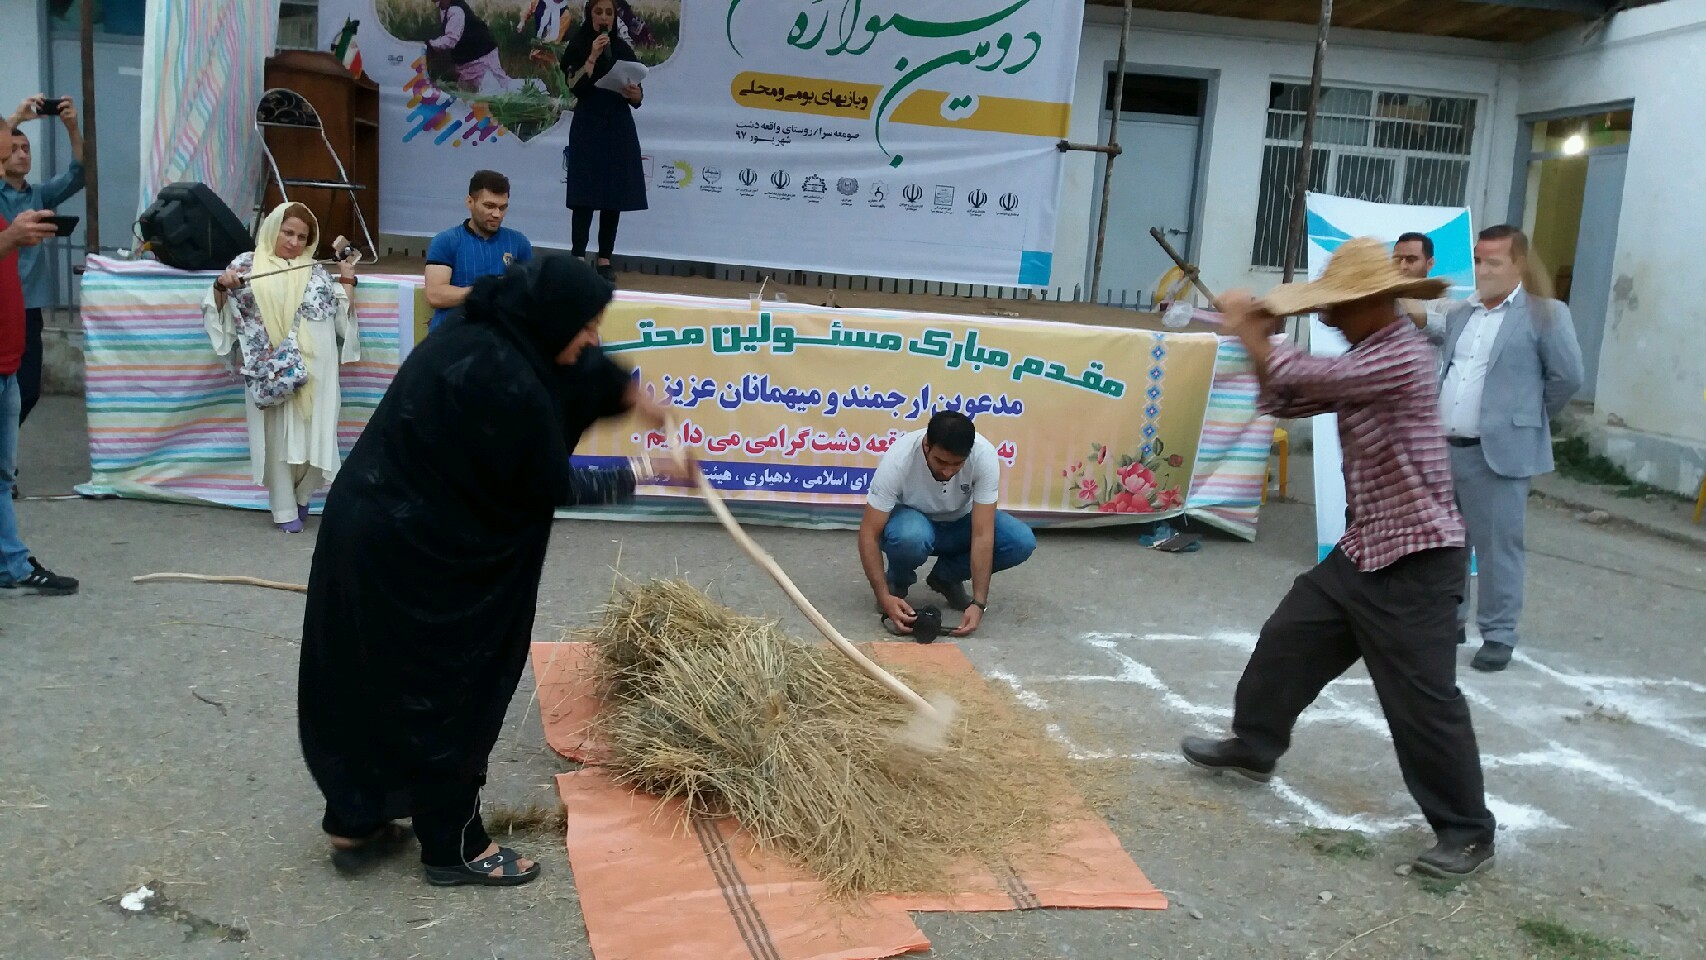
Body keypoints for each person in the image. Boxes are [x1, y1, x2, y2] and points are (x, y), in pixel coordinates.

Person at [297, 255, 675, 887]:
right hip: (429, 555)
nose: (591, 339)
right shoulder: (503, 380)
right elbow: (544, 480)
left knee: (371, 674)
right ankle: (454, 846)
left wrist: (629, 394)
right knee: (454, 684)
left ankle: (354, 817)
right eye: (584, 325)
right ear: (551, 318)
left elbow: (573, 369)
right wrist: (646, 473)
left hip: (368, 533)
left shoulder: (493, 336)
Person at [1179, 237, 1498, 881]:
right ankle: (1256, 744)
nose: (1325, 315)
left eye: (1336, 305)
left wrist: (1254, 332)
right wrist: (1256, 339)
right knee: (1288, 639)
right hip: (1365, 546)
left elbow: (1299, 377)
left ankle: (1467, 831)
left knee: (1423, 703)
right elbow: (1288, 398)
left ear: (1374, 301)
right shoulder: (1367, 349)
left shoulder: (1402, 356)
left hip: (1418, 555)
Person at [1439, 225, 1583, 672]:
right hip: (1446, 448)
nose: (1482, 270)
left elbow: (1567, 379)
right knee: (1446, 547)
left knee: (1499, 549)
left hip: (1498, 453)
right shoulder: (1461, 315)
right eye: (1478, 261)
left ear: (1518, 264)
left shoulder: (1547, 314)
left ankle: (1498, 635)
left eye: (1493, 262)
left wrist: (1524, 419)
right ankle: (1449, 621)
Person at [203, 203, 362, 534]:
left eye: (302, 237)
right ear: (272, 228)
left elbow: (340, 318)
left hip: (318, 371)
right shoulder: (245, 266)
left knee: (318, 433)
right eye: (287, 232)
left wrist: (348, 278)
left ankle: (305, 493)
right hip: (270, 369)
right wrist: (221, 287)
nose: (293, 241)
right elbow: (217, 311)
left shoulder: (317, 271)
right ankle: (283, 506)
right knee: (276, 437)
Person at [859, 410, 1036, 639]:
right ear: (926, 446)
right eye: (940, 461)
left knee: (1020, 540)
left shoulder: (984, 456)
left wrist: (979, 603)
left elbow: (983, 533)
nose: (947, 470)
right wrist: (883, 595)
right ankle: (897, 584)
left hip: (960, 523)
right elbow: (868, 533)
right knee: (911, 536)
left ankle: (946, 577)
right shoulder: (899, 458)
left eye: (957, 464)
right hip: (912, 522)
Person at [0, 117, 77, 596]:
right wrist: (11, 238)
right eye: (10, 139)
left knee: (2, 473)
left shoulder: (33, 195)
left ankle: (11, 565)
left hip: (7, 358)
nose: (15, 145)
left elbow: (79, 172)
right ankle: (13, 564)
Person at [1, 95, 84, 439]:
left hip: (29, 304)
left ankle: (7, 455)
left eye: (27, 149)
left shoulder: (38, 195)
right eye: (14, 148)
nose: (22, 153)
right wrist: (16, 118)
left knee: (27, 390)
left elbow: (79, 173)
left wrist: (72, 127)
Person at [548, 0, 647, 284]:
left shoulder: (623, 48)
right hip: (589, 124)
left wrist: (634, 95)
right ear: (589, 15)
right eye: (598, 12)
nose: (604, 18)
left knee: (612, 193)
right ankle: (578, 256)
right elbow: (573, 86)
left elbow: (639, 94)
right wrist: (592, 56)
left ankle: (605, 259)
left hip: (617, 124)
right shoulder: (578, 45)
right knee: (585, 193)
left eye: (609, 13)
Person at [424, 170, 533, 331]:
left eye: (503, 208)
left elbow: (530, 293)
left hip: (502, 337)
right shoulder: (446, 241)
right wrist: (486, 290)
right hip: (453, 335)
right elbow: (434, 295)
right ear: (469, 202)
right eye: (489, 206)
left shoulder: (518, 242)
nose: (497, 214)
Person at [428, 0, 522, 94]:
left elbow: (451, 39)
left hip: (481, 55)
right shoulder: (445, 9)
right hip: (467, 60)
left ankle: (520, 95)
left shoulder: (455, 10)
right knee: (468, 93)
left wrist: (430, 44)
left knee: (495, 86)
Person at [1391, 231, 1453, 345]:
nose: (1402, 266)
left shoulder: (1446, 305)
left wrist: (1402, 293)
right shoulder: (1381, 302)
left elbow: (1442, 331)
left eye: (1410, 260)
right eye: (1397, 260)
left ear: (1430, 264)